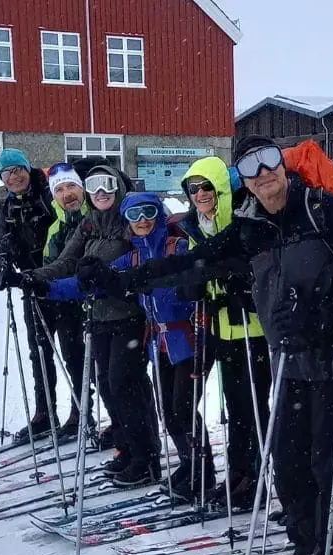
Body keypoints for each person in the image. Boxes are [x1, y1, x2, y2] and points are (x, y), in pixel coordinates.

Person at [95, 135, 333, 555]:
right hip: (289, 366)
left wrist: (322, 317)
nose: (263, 174)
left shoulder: (324, 211)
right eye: (250, 166)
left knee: (330, 471)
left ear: (282, 165)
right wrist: (123, 280)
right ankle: (306, 550)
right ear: (241, 178)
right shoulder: (250, 228)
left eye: (269, 161)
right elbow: (191, 261)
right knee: (289, 468)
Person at [33, 192, 205, 498]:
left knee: (183, 409)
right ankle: (189, 465)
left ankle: (199, 473)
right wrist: (47, 287)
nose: (142, 221)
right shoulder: (134, 256)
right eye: (135, 215)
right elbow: (96, 283)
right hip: (160, 343)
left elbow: (198, 275)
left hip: (187, 340)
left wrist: (190, 286)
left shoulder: (175, 247)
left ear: (160, 214)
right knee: (169, 410)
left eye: (149, 212)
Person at [10, 164, 162, 487]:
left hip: (129, 318)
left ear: (117, 188)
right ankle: (126, 449)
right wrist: (32, 277)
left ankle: (146, 457)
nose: (101, 192)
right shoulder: (90, 225)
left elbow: (141, 258)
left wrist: (107, 272)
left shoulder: (128, 220)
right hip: (98, 318)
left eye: (107, 185)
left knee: (126, 385)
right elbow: (66, 262)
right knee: (107, 386)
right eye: (94, 186)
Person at [172, 156, 272, 509]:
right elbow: (195, 268)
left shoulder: (243, 220)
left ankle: (254, 475)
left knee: (253, 407)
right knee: (233, 405)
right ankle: (238, 473)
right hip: (220, 328)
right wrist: (193, 285)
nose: (200, 194)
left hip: (253, 330)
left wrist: (238, 283)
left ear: (220, 189)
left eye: (206, 187)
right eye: (193, 188)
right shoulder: (198, 226)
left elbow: (257, 267)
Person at [0, 148, 59, 441]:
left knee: (75, 352)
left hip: (62, 283)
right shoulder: (5, 208)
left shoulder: (48, 196)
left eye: (18, 169)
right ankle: (45, 412)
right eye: (7, 172)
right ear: (2, 178)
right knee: (38, 352)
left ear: (27, 170)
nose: (14, 176)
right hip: (31, 286)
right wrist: (5, 255)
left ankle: (84, 412)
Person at [34, 162, 94, 438]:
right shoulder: (57, 223)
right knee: (71, 358)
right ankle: (76, 412)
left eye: (71, 186)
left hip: (84, 301)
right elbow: (53, 261)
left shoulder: (92, 217)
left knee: (86, 361)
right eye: (59, 189)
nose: (67, 193)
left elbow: (71, 263)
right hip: (59, 300)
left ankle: (84, 414)